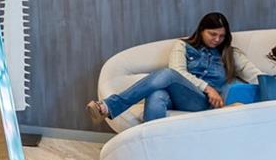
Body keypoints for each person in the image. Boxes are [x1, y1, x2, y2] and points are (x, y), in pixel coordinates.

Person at [87, 11, 265, 124]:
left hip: (202, 102)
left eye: (221, 36)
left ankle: (109, 106)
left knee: (167, 75)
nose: (217, 39)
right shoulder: (182, 46)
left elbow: (255, 75)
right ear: (201, 30)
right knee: (156, 95)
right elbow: (178, 71)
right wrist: (207, 87)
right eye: (212, 34)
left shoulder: (230, 53)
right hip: (178, 96)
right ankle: (152, 149)